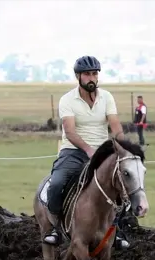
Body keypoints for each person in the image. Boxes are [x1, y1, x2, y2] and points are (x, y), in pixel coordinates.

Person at [44, 55, 130, 250]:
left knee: (126, 182)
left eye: (94, 74)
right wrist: (89, 150)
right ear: (78, 77)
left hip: (102, 152)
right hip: (73, 152)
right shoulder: (67, 100)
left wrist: (124, 148)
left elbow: (115, 126)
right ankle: (55, 228)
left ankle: (119, 229)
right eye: (87, 74)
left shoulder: (107, 97)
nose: (91, 78)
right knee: (56, 184)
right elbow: (70, 132)